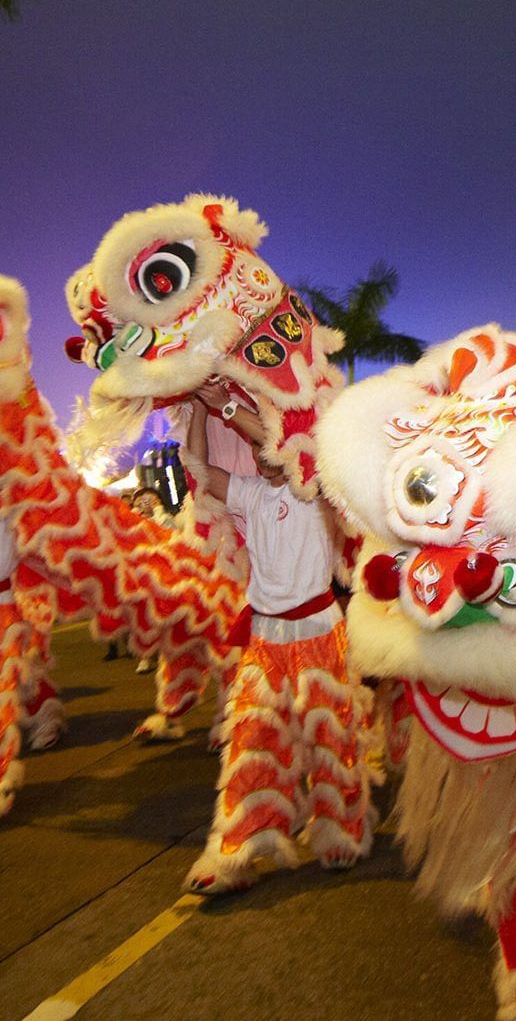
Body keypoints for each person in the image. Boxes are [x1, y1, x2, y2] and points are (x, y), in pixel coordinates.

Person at [182, 380, 373, 895]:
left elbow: (290, 454)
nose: (266, 451)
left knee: (332, 740)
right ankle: (237, 847)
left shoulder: (315, 487)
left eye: (274, 439)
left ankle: (341, 831)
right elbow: (199, 475)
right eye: (258, 444)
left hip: (318, 634)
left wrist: (224, 404)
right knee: (251, 738)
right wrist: (196, 411)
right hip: (265, 640)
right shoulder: (250, 493)